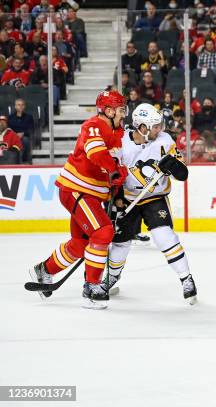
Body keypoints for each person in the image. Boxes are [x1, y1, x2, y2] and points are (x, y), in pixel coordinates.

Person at [28, 90, 127, 309]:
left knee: (81, 244)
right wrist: (114, 170)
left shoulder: (118, 133)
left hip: (92, 194)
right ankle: (92, 287)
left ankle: (45, 270)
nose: (123, 114)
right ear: (109, 110)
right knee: (103, 232)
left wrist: (118, 182)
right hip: (77, 189)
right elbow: (96, 154)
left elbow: (119, 166)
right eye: (121, 109)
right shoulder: (93, 125)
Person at [104, 104, 196, 304]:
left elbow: (183, 174)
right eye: (155, 127)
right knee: (120, 244)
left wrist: (173, 165)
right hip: (127, 200)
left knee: (164, 236)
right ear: (142, 128)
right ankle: (111, 277)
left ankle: (186, 278)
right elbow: (112, 174)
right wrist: (116, 197)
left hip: (155, 198)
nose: (159, 129)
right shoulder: (121, 143)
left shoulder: (164, 140)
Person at [7, 98, 34, 163]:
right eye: (18, 105)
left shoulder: (29, 117)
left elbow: (31, 129)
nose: (21, 106)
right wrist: (15, 135)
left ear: (24, 106)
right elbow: (8, 129)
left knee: (25, 140)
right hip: (13, 137)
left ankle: (26, 160)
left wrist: (23, 133)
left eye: (22, 105)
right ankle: (16, 162)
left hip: (25, 136)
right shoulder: (10, 117)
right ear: (15, 106)